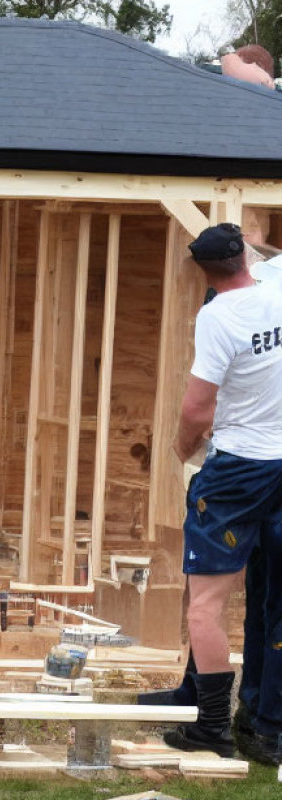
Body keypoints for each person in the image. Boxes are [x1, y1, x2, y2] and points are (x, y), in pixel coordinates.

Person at [161, 223, 282, 762]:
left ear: (203, 274)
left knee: (205, 606)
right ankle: (265, 722)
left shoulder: (216, 317)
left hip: (237, 469)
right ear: (245, 260)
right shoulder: (276, 286)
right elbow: (261, 250)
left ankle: (211, 727)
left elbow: (197, 408)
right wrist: (247, 238)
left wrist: (181, 451)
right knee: (274, 598)